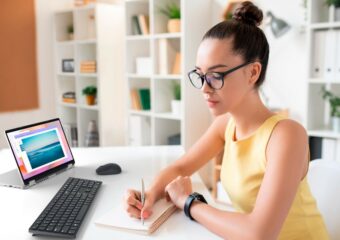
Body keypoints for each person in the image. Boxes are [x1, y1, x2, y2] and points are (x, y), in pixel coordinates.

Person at [124, 2, 329, 239]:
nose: (204, 88)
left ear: (253, 72)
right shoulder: (225, 125)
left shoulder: (286, 135)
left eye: (215, 75)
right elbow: (180, 168)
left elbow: (259, 233)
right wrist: (148, 196)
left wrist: (189, 202)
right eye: (200, 75)